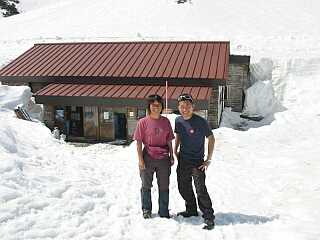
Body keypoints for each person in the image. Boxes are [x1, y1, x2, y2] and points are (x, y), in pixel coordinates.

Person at [174, 93, 215, 230]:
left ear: (193, 107)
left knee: (200, 189)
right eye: (182, 106)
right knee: (182, 187)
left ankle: (208, 216)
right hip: (183, 160)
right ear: (178, 107)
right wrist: (175, 150)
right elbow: (178, 135)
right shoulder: (178, 120)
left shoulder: (201, 122)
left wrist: (208, 159)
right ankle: (191, 209)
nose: (184, 109)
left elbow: (211, 138)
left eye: (187, 106)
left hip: (197, 161)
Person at [134, 94, 175, 219]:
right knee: (146, 185)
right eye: (153, 105)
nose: (156, 107)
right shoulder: (143, 122)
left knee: (164, 186)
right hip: (148, 157)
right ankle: (146, 209)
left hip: (163, 158)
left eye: (158, 105)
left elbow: (169, 140)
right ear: (149, 106)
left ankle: (163, 211)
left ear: (162, 106)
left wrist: (172, 155)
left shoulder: (166, 121)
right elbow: (139, 142)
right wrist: (141, 160)